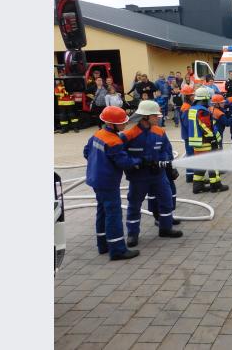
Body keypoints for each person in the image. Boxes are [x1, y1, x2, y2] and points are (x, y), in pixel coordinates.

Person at [121, 100, 183, 247]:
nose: (159, 118)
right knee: (134, 205)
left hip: (158, 175)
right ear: (145, 117)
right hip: (139, 177)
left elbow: (166, 150)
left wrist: (167, 165)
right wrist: (137, 162)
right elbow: (120, 154)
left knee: (166, 200)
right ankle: (132, 234)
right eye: (155, 116)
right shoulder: (129, 134)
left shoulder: (160, 132)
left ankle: (165, 228)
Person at [83, 106, 141, 261]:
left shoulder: (97, 134)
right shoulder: (114, 141)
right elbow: (124, 162)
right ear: (112, 124)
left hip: (95, 179)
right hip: (108, 183)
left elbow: (86, 152)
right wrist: (138, 161)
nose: (125, 125)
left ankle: (103, 245)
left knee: (102, 211)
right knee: (113, 214)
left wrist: (98, 162)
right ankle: (117, 250)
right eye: (122, 123)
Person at [187, 87, 228, 193]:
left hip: (197, 142)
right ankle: (216, 185)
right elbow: (205, 126)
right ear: (204, 99)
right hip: (206, 141)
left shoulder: (193, 109)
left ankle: (198, 186)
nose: (209, 101)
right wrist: (213, 139)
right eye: (208, 99)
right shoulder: (202, 111)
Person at [178, 85, 195, 183]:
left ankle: (191, 175)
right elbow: (187, 124)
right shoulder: (186, 107)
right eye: (192, 95)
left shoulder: (187, 106)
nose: (193, 96)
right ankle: (190, 176)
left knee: (191, 155)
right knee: (190, 155)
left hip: (188, 135)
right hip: (189, 136)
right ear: (187, 96)